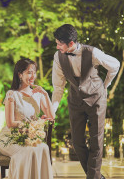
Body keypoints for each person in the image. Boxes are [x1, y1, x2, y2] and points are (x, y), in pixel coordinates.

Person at [52, 24, 120, 179]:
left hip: (96, 99)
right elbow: (58, 87)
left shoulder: (92, 52)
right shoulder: (58, 57)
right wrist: (52, 111)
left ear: (70, 43)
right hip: (75, 102)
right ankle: (96, 176)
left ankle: (93, 177)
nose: (57, 46)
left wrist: (105, 86)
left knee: (96, 141)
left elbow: (115, 65)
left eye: (59, 43)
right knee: (76, 142)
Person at [0, 58, 55, 179]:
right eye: (29, 72)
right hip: (11, 138)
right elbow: (10, 123)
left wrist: (45, 94)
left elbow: (51, 117)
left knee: (44, 148)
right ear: (20, 74)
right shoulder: (12, 94)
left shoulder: (38, 94)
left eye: (34, 72)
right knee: (27, 152)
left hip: (30, 137)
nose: (33, 75)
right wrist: (30, 125)